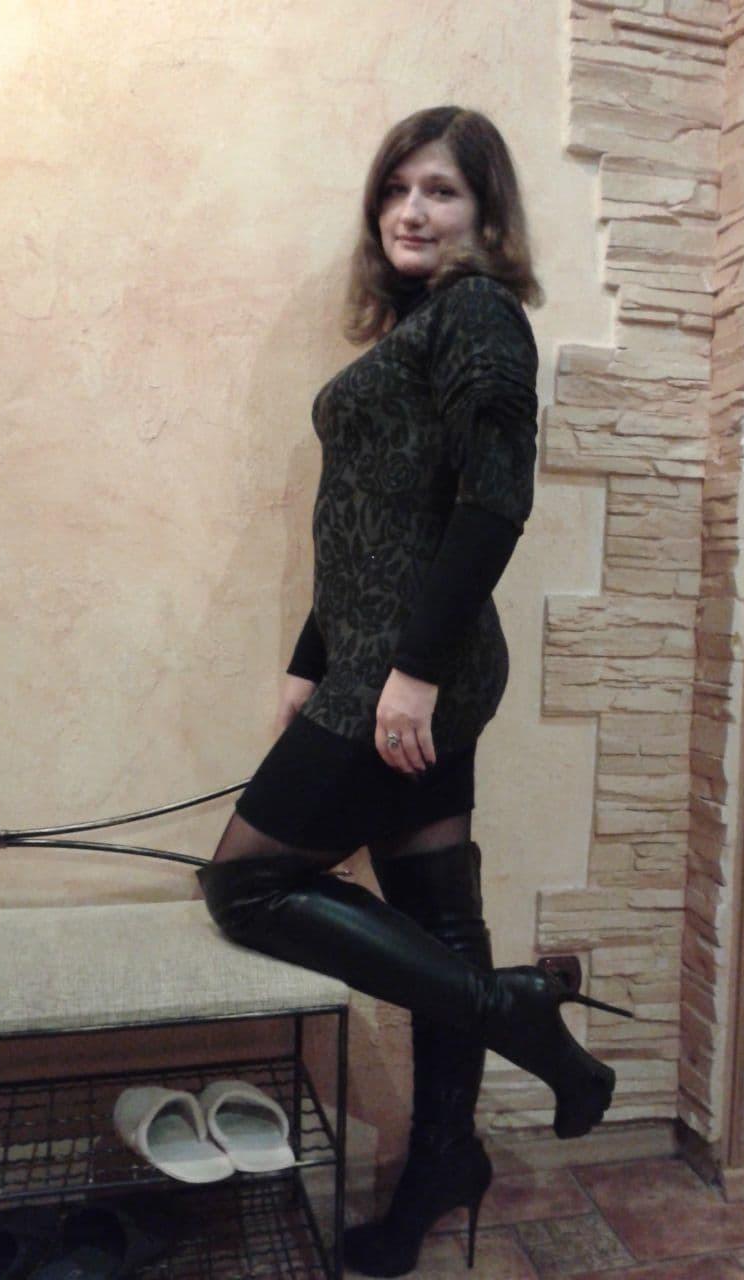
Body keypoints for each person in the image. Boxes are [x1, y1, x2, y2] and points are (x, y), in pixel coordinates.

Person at [196, 105, 629, 1278]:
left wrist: (411, 676)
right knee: (438, 915)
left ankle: (515, 1010)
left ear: (488, 212)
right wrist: (311, 654)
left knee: (246, 882)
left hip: (417, 664)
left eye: (440, 189)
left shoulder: (480, 314)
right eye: (396, 189)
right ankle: (444, 1158)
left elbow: (494, 503)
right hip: (380, 655)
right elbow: (371, 520)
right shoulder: (422, 325)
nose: (411, 210)